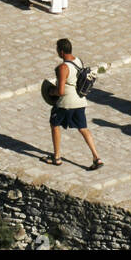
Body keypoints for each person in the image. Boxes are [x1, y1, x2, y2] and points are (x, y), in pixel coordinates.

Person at [44, 38, 103, 170]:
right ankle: (96, 157)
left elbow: (60, 91)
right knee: (83, 129)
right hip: (80, 101)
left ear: (61, 51)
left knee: (55, 125)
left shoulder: (62, 68)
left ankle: (57, 157)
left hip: (66, 103)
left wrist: (50, 91)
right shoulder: (78, 60)